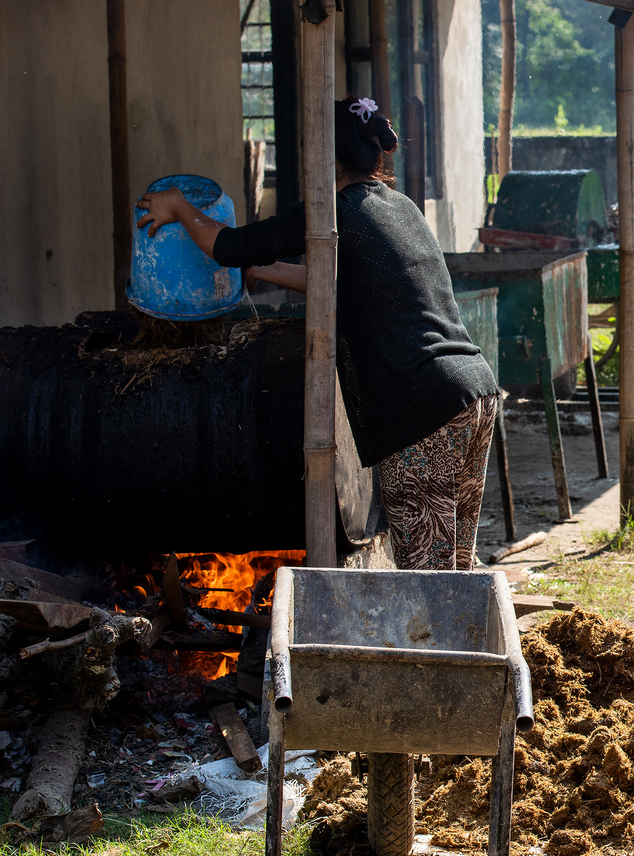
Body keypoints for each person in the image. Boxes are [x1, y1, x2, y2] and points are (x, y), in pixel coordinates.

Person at [134, 96, 498, 571]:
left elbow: (228, 246)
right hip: (474, 393)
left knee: (426, 583)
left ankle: (433, 643)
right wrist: (267, 270)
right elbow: (340, 282)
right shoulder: (399, 207)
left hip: (423, 410)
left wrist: (178, 206)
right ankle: (465, 641)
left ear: (324, 157)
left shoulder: (335, 210)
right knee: (456, 570)